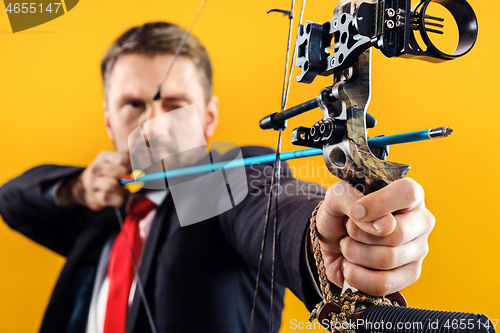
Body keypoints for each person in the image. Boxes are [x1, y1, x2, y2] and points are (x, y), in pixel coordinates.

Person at [0, 22, 434, 333]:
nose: (154, 124)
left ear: (209, 118)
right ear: (109, 120)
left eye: (175, 104)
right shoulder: (98, 215)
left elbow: (271, 207)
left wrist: (324, 236)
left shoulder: (216, 183)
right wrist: (76, 187)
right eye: (134, 105)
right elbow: (12, 199)